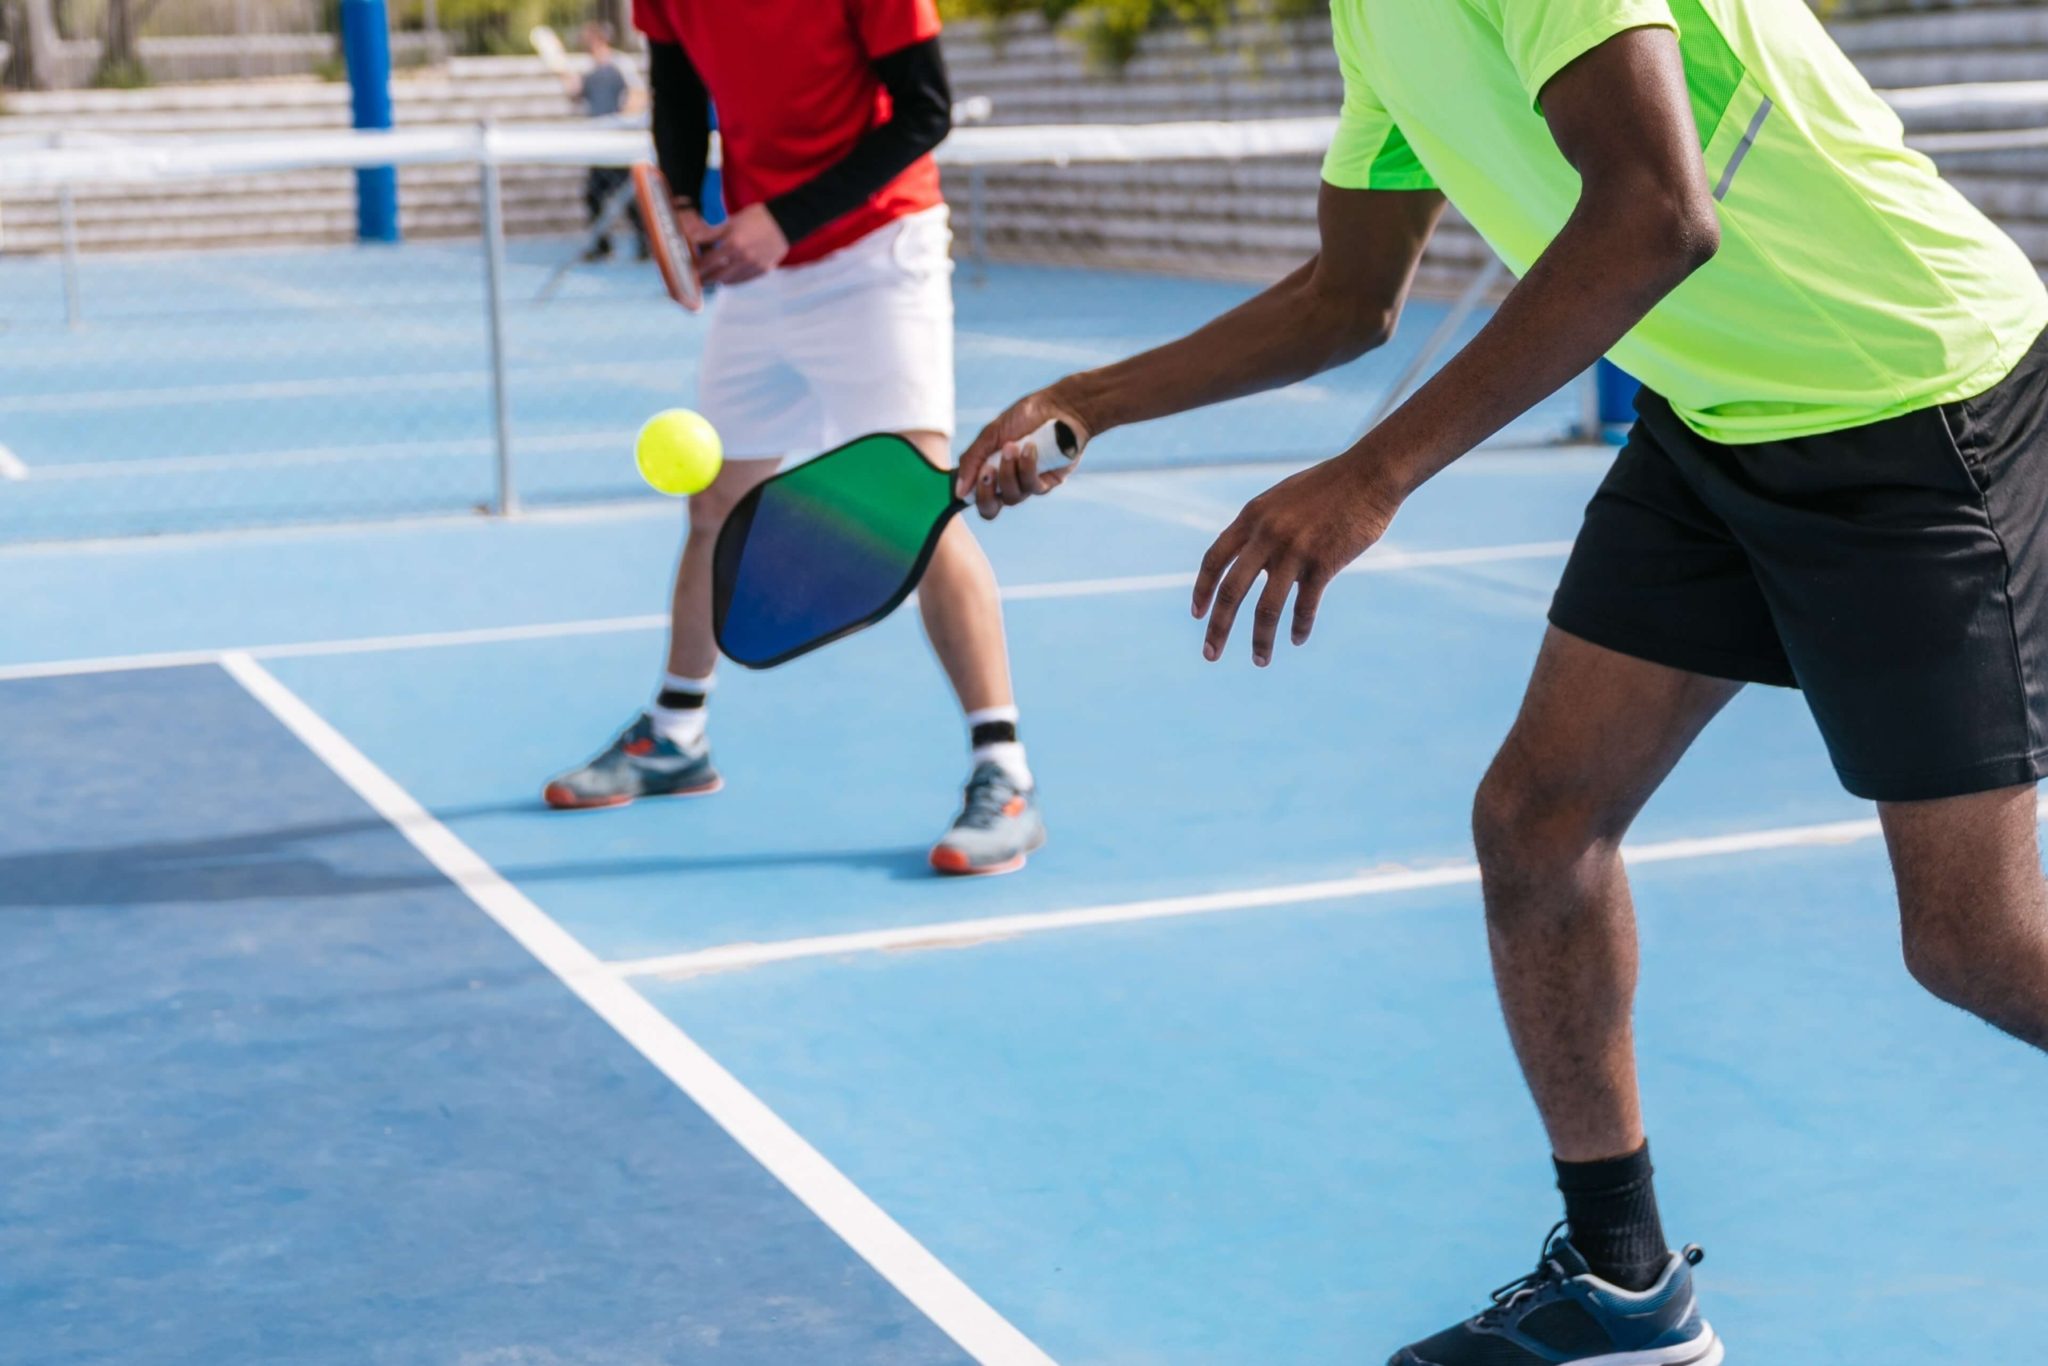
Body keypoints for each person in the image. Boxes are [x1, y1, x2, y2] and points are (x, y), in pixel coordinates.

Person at [959, 0, 2048, 1358]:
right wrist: (1089, 398)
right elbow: (1346, 299)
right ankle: (1626, 1284)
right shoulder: (1371, 22)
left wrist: (1370, 477)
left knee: (1975, 943)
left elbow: (1656, 209)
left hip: (1911, 398)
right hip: (1721, 416)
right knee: (1539, 825)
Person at [542, 0, 1048, 876]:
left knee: (917, 501)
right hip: (758, 272)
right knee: (716, 503)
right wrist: (683, 213)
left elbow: (925, 113)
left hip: (876, 251)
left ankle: (1002, 774)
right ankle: (675, 735)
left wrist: (783, 219)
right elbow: (674, 97)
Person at [556, 21, 648, 262]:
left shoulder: (621, 64)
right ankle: (601, 243)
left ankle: (645, 242)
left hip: (617, 143)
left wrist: (621, 122)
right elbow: (576, 95)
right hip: (597, 143)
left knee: (628, 195)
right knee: (593, 195)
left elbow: (638, 95)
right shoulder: (587, 69)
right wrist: (563, 74)